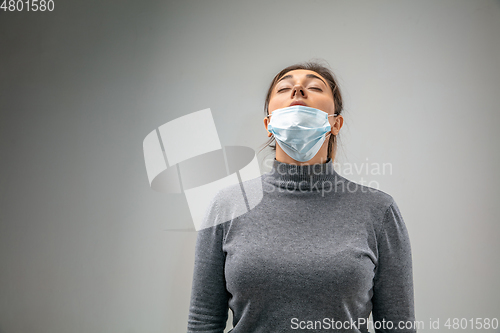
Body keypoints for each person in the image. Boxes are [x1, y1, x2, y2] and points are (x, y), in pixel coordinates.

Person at [187, 61, 416, 333]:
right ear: (268, 123)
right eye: (284, 87)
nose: (297, 89)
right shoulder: (227, 205)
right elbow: (203, 322)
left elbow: (398, 327)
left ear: (335, 123)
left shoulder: (379, 210)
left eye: (314, 87)